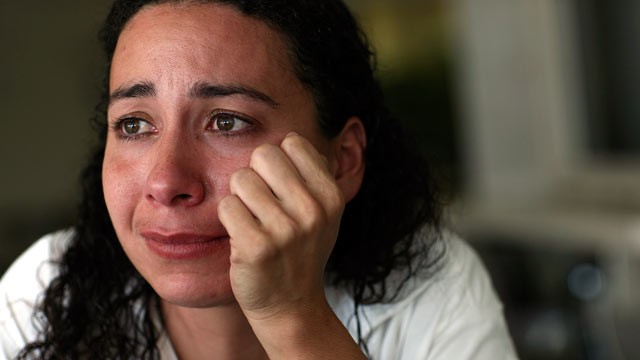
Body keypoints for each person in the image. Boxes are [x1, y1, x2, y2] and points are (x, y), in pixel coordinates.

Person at [0, 0, 517, 359]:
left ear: (342, 160)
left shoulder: (430, 288)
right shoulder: (42, 295)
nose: (166, 181)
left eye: (227, 121)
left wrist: (294, 318)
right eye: (134, 124)